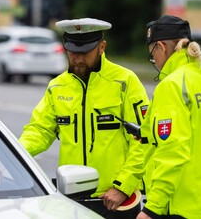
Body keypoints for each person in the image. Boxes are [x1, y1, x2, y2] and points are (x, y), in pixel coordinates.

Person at [19, 18, 149, 218]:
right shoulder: (57, 86)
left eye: (85, 52)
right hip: (70, 200)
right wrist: (13, 154)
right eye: (72, 52)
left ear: (102, 47)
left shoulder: (125, 81)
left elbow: (145, 139)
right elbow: (39, 131)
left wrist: (123, 187)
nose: (78, 59)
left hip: (115, 200)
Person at [137, 14, 201, 218]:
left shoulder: (172, 85)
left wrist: (152, 208)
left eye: (152, 55)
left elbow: (172, 151)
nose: (155, 62)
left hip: (185, 207)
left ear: (162, 47)